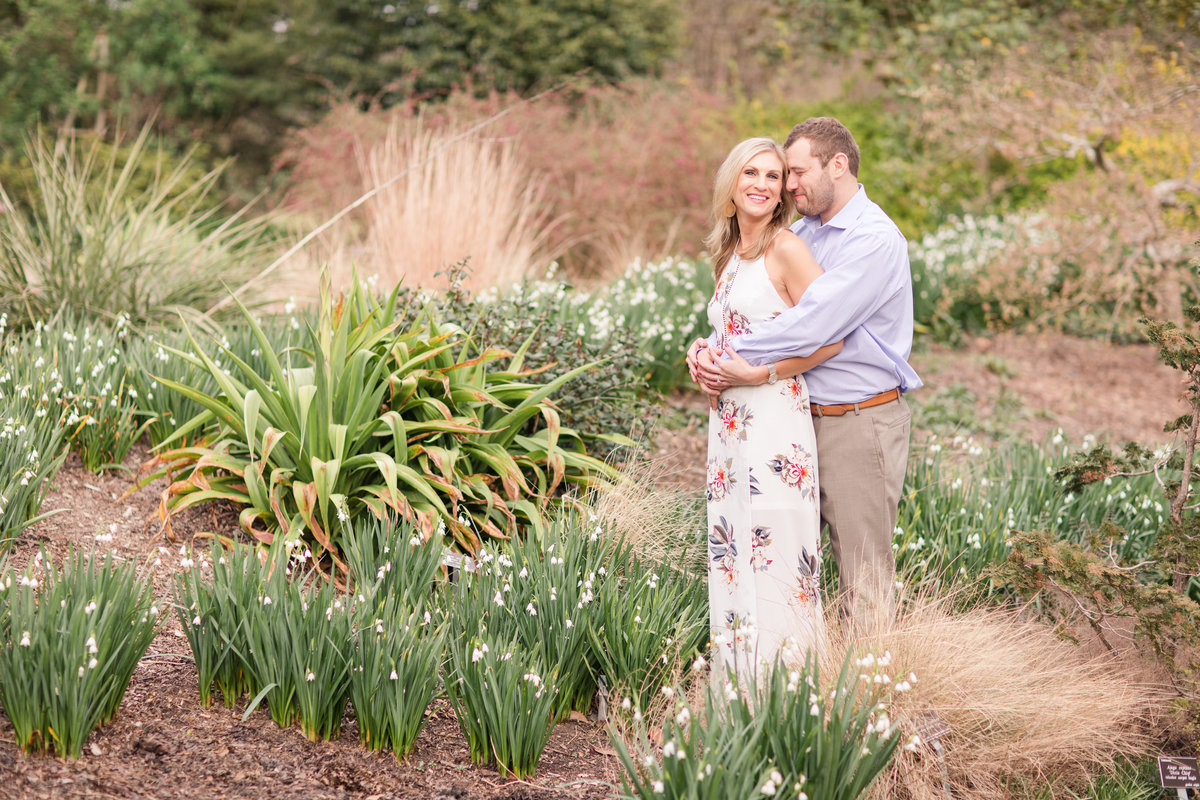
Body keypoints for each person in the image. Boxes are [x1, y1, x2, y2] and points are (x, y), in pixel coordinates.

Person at [689, 117, 921, 623]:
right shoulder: (801, 232)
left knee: (863, 576)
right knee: (780, 563)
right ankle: (792, 691)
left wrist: (731, 356)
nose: (788, 187)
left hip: (856, 421)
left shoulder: (873, 240)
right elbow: (761, 308)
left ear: (837, 165)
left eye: (795, 173)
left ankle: (875, 696)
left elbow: (816, 325)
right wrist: (710, 349)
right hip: (792, 420)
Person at [691, 137, 844, 675]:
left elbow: (832, 338)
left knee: (775, 553)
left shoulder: (787, 249)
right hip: (730, 427)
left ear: (783, 191)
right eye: (750, 173)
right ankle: (739, 689)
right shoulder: (729, 254)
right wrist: (701, 356)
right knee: (734, 553)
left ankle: (789, 694)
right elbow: (733, 330)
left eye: (773, 176)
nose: (761, 184)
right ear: (732, 185)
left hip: (775, 420)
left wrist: (763, 372)